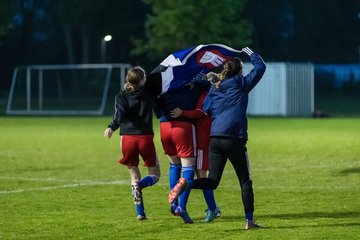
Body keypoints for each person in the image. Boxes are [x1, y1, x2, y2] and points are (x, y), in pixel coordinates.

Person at [168, 47, 266, 230]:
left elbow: (206, 108)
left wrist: (210, 84)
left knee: (212, 181)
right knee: (245, 180)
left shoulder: (216, 88)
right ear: (239, 71)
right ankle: (250, 221)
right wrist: (252, 54)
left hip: (215, 139)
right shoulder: (241, 83)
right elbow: (260, 69)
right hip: (234, 138)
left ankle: (185, 184)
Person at [104, 66, 161, 221]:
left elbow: (119, 115)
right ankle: (140, 186)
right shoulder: (148, 94)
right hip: (145, 138)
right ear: (142, 80)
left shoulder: (121, 96)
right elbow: (159, 112)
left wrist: (111, 127)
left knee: (134, 177)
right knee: (155, 175)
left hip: (127, 139)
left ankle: (140, 212)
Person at [156, 83, 208, 224]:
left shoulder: (168, 82)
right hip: (183, 127)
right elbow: (209, 86)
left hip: (164, 125)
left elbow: (156, 101)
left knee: (174, 165)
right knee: (188, 168)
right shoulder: (194, 83)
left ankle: (173, 204)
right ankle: (181, 207)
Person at [170, 86, 221, 222]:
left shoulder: (205, 93)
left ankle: (211, 209)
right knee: (200, 175)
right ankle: (212, 208)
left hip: (202, 141)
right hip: (204, 139)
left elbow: (200, 113)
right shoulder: (210, 92)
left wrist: (183, 112)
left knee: (201, 175)